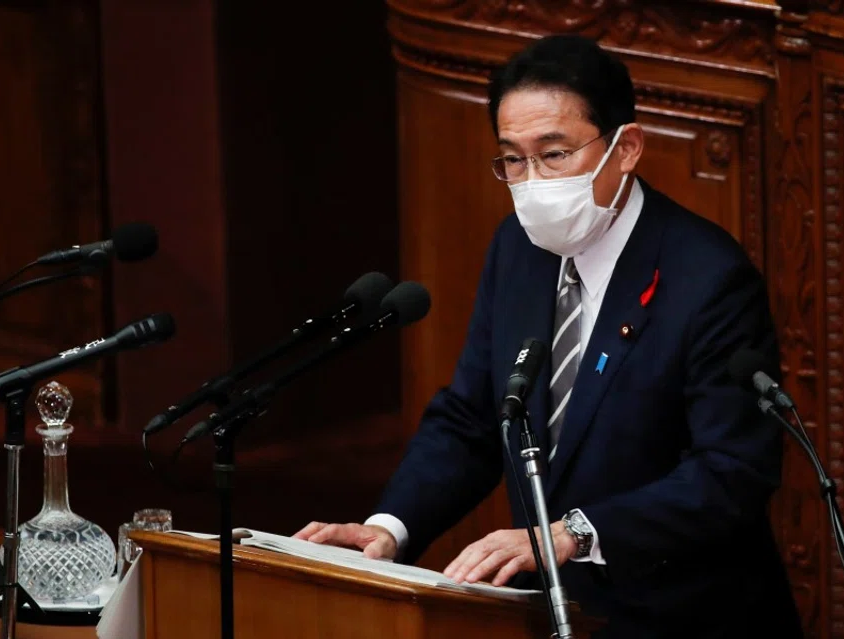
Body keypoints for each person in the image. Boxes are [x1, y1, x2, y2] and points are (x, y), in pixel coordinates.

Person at [295, 35, 802, 638]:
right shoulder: (519, 248)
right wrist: (391, 526)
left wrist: (574, 533)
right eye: (513, 158)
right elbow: (474, 419)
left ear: (626, 148)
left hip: (685, 616)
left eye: (554, 154)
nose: (532, 181)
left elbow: (731, 472)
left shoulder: (708, 278)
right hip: (557, 616)